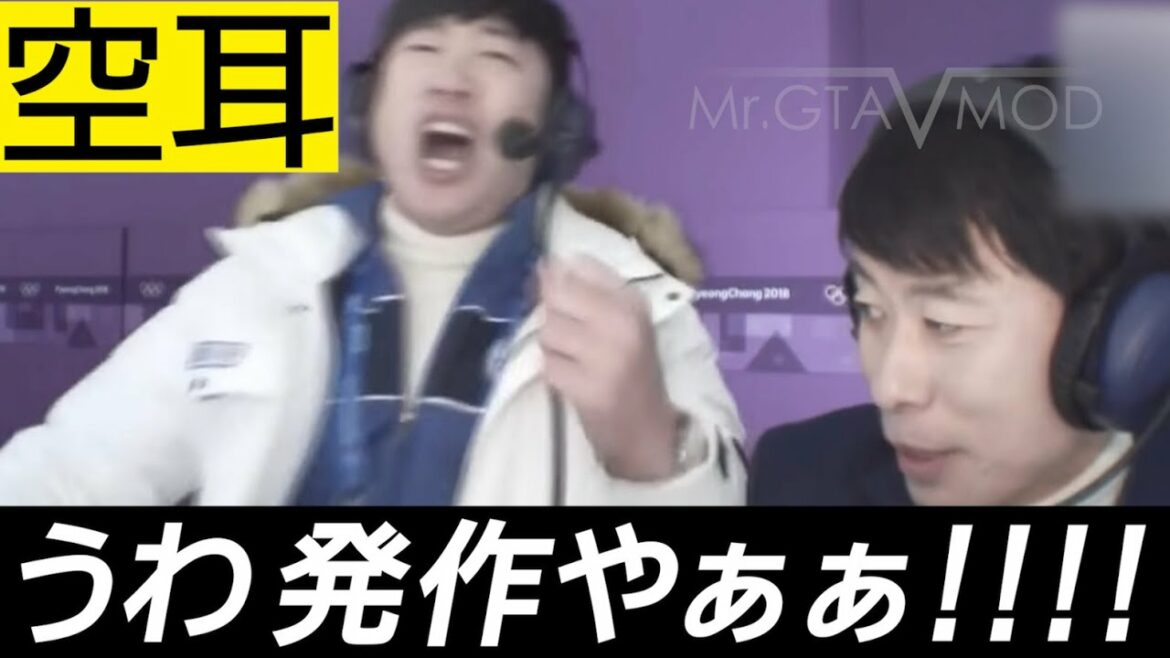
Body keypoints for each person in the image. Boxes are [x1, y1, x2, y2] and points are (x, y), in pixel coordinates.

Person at [0, 0, 746, 506]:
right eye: (423, 49)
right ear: (371, 105)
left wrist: (653, 444)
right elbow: (70, 473)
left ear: (554, 127)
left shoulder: (634, 298)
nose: (451, 80)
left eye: (494, 54)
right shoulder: (257, 283)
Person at [749, 60, 1170, 506]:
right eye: (871, 309)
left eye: (943, 323)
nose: (890, 389)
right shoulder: (801, 478)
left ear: (1118, 336)